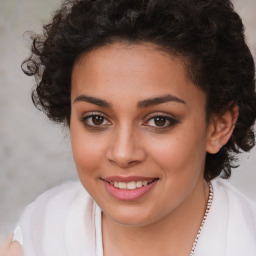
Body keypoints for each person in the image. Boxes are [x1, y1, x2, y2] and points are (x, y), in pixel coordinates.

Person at [5, 0, 256, 255]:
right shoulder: (38, 237)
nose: (123, 154)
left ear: (218, 126)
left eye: (159, 120)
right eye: (97, 119)